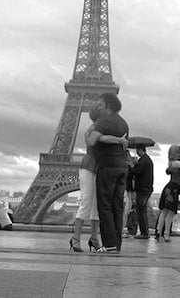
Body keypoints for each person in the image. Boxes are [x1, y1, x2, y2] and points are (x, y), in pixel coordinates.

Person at [88, 92, 130, 254]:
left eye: (100, 103)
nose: (97, 105)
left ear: (108, 105)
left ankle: (109, 244)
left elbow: (91, 141)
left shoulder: (103, 121)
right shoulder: (123, 123)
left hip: (107, 166)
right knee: (117, 207)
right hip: (122, 167)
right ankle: (116, 244)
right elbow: (124, 144)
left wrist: (97, 136)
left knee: (104, 206)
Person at [70, 104, 105, 252]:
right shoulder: (94, 129)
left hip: (96, 167)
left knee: (95, 205)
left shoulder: (96, 128)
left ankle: (93, 238)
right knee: (86, 202)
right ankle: (76, 238)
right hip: (90, 166)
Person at [130, 144, 153, 239]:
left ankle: (144, 232)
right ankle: (145, 231)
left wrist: (131, 167)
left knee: (141, 210)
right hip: (146, 188)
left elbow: (138, 171)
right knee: (142, 210)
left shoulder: (143, 160)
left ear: (139, 150)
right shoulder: (147, 159)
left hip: (143, 188)